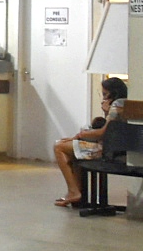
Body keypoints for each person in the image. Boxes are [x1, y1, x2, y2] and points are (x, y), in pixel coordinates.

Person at [53, 77, 127, 207]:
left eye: (105, 94)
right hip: (117, 147)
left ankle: (73, 191)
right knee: (72, 151)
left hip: (107, 150)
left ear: (113, 93)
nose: (103, 98)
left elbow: (103, 132)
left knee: (59, 146)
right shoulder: (124, 103)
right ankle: (77, 193)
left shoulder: (117, 105)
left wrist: (79, 135)